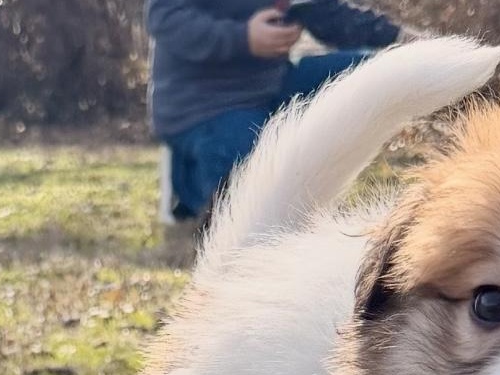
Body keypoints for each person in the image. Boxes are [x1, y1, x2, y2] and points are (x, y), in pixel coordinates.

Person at [146, 0, 402, 219]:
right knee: (252, 197)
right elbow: (165, 20)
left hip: (273, 86)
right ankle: (190, 184)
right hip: (205, 106)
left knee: (382, 71)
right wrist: (243, 38)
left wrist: (404, 41)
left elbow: (328, 15)